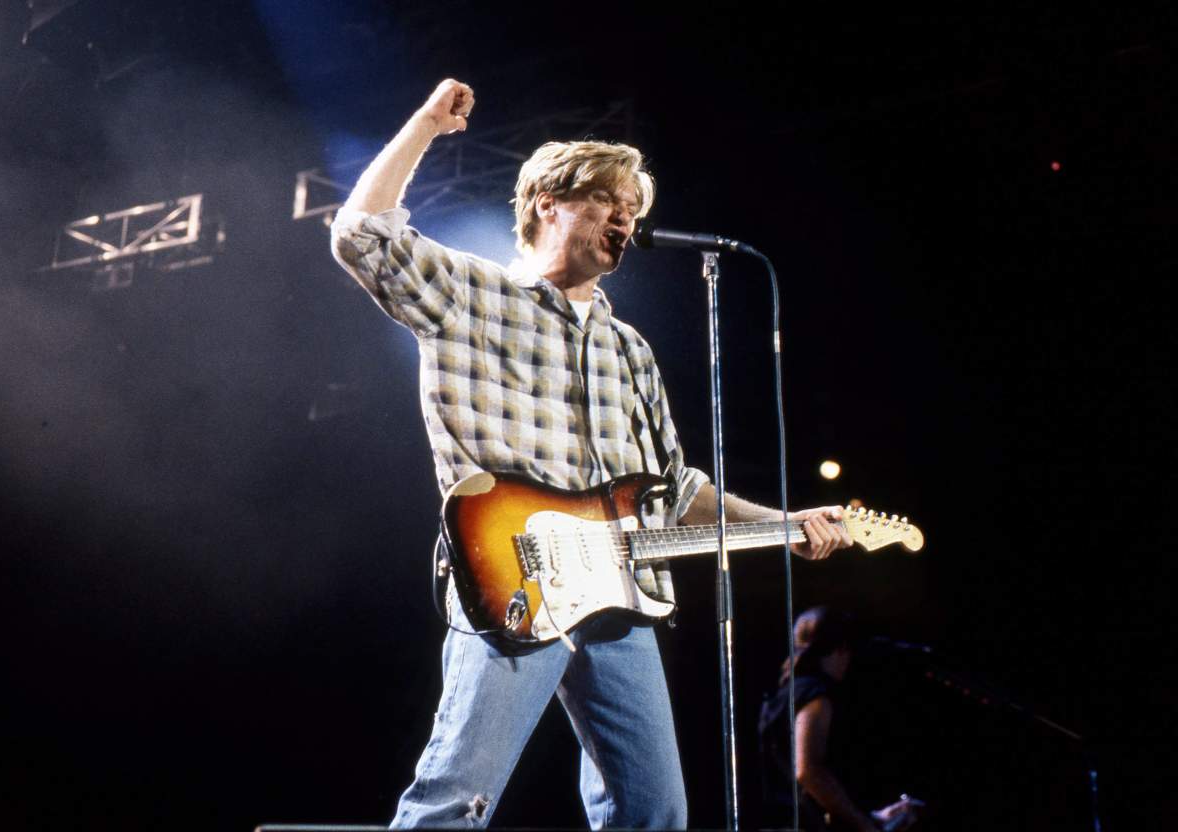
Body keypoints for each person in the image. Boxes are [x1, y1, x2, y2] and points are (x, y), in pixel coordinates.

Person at [330, 78, 853, 829]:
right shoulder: (475, 296)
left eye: (633, 211)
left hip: (620, 599)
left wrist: (786, 522)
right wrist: (422, 126)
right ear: (549, 202)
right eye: (609, 202)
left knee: (655, 813)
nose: (625, 220)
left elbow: (674, 489)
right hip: (514, 581)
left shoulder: (628, 349)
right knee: (456, 800)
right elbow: (360, 235)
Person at [758, 607, 922, 831]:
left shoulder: (783, 695)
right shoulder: (814, 695)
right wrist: (865, 825)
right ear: (842, 648)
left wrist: (873, 816)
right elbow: (808, 770)